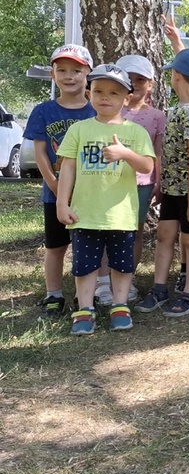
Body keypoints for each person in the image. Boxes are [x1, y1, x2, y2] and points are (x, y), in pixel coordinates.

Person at [55, 64, 155, 335]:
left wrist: (125, 154)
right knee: (84, 265)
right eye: (99, 91)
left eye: (114, 93)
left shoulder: (135, 132)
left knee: (121, 264)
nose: (105, 98)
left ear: (127, 98)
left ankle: (120, 306)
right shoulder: (79, 130)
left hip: (120, 214)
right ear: (89, 94)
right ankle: (85, 309)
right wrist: (62, 203)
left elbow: (147, 166)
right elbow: (67, 168)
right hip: (85, 213)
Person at [137, 48, 189, 317]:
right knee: (165, 235)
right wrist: (162, 184)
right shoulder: (178, 109)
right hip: (173, 187)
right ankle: (159, 288)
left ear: (177, 76)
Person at [24, 45, 97, 319]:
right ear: (52, 75)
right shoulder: (43, 111)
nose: (69, 76)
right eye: (62, 70)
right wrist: (55, 186)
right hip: (54, 194)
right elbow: (40, 152)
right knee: (56, 246)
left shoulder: (96, 110)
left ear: (88, 74)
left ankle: (85, 295)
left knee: (88, 246)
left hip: (90, 193)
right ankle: (53, 294)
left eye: (76, 70)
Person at [117, 54, 166, 301]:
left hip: (142, 182)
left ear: (150, 85)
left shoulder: (157, 116)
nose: (134, 84)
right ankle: (104, 279)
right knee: (107, 230)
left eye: (140, 79)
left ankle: (129, 276)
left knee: (133, 231)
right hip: (109, 180)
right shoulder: (108, 111)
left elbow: (158, 152)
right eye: (129, 79)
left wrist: (159, 181)